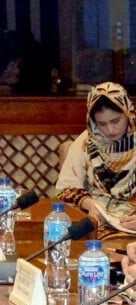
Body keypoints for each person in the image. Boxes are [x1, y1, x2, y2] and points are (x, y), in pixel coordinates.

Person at [56, 82, 136, 238]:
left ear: (128, 113)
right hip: (99, 222)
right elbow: (66, 189)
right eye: (102, 124)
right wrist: (89, 203)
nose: (110, 130)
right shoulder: (87, 142)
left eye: (115, 121)